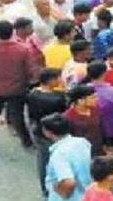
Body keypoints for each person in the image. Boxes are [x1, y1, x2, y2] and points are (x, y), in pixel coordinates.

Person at [0, 20, 36, 147]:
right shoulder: (23, 49)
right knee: (18, 116)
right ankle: (26, 141)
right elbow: (30, 70)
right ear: (12, 32)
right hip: (18, 88)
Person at [27, 68, 68, 197]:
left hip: (38, 130)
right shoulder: (57, 98)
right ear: (50, 80)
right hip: (55, 133)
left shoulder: (32, 94)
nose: (60, 81)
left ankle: (45, 188)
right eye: (58, 78)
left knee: (43, 160)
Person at [42, 113, 92, 201]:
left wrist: (60, 191)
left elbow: (69, 182)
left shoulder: (59, 154)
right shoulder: (82, 142)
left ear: (49, 133)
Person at [64, 84, 104, 155]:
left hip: (98, 150)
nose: (96, 99)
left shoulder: (96, 110)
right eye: (93, 97)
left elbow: (103, 128)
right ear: (80, 101)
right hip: (79, 153)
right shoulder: (69, 117)